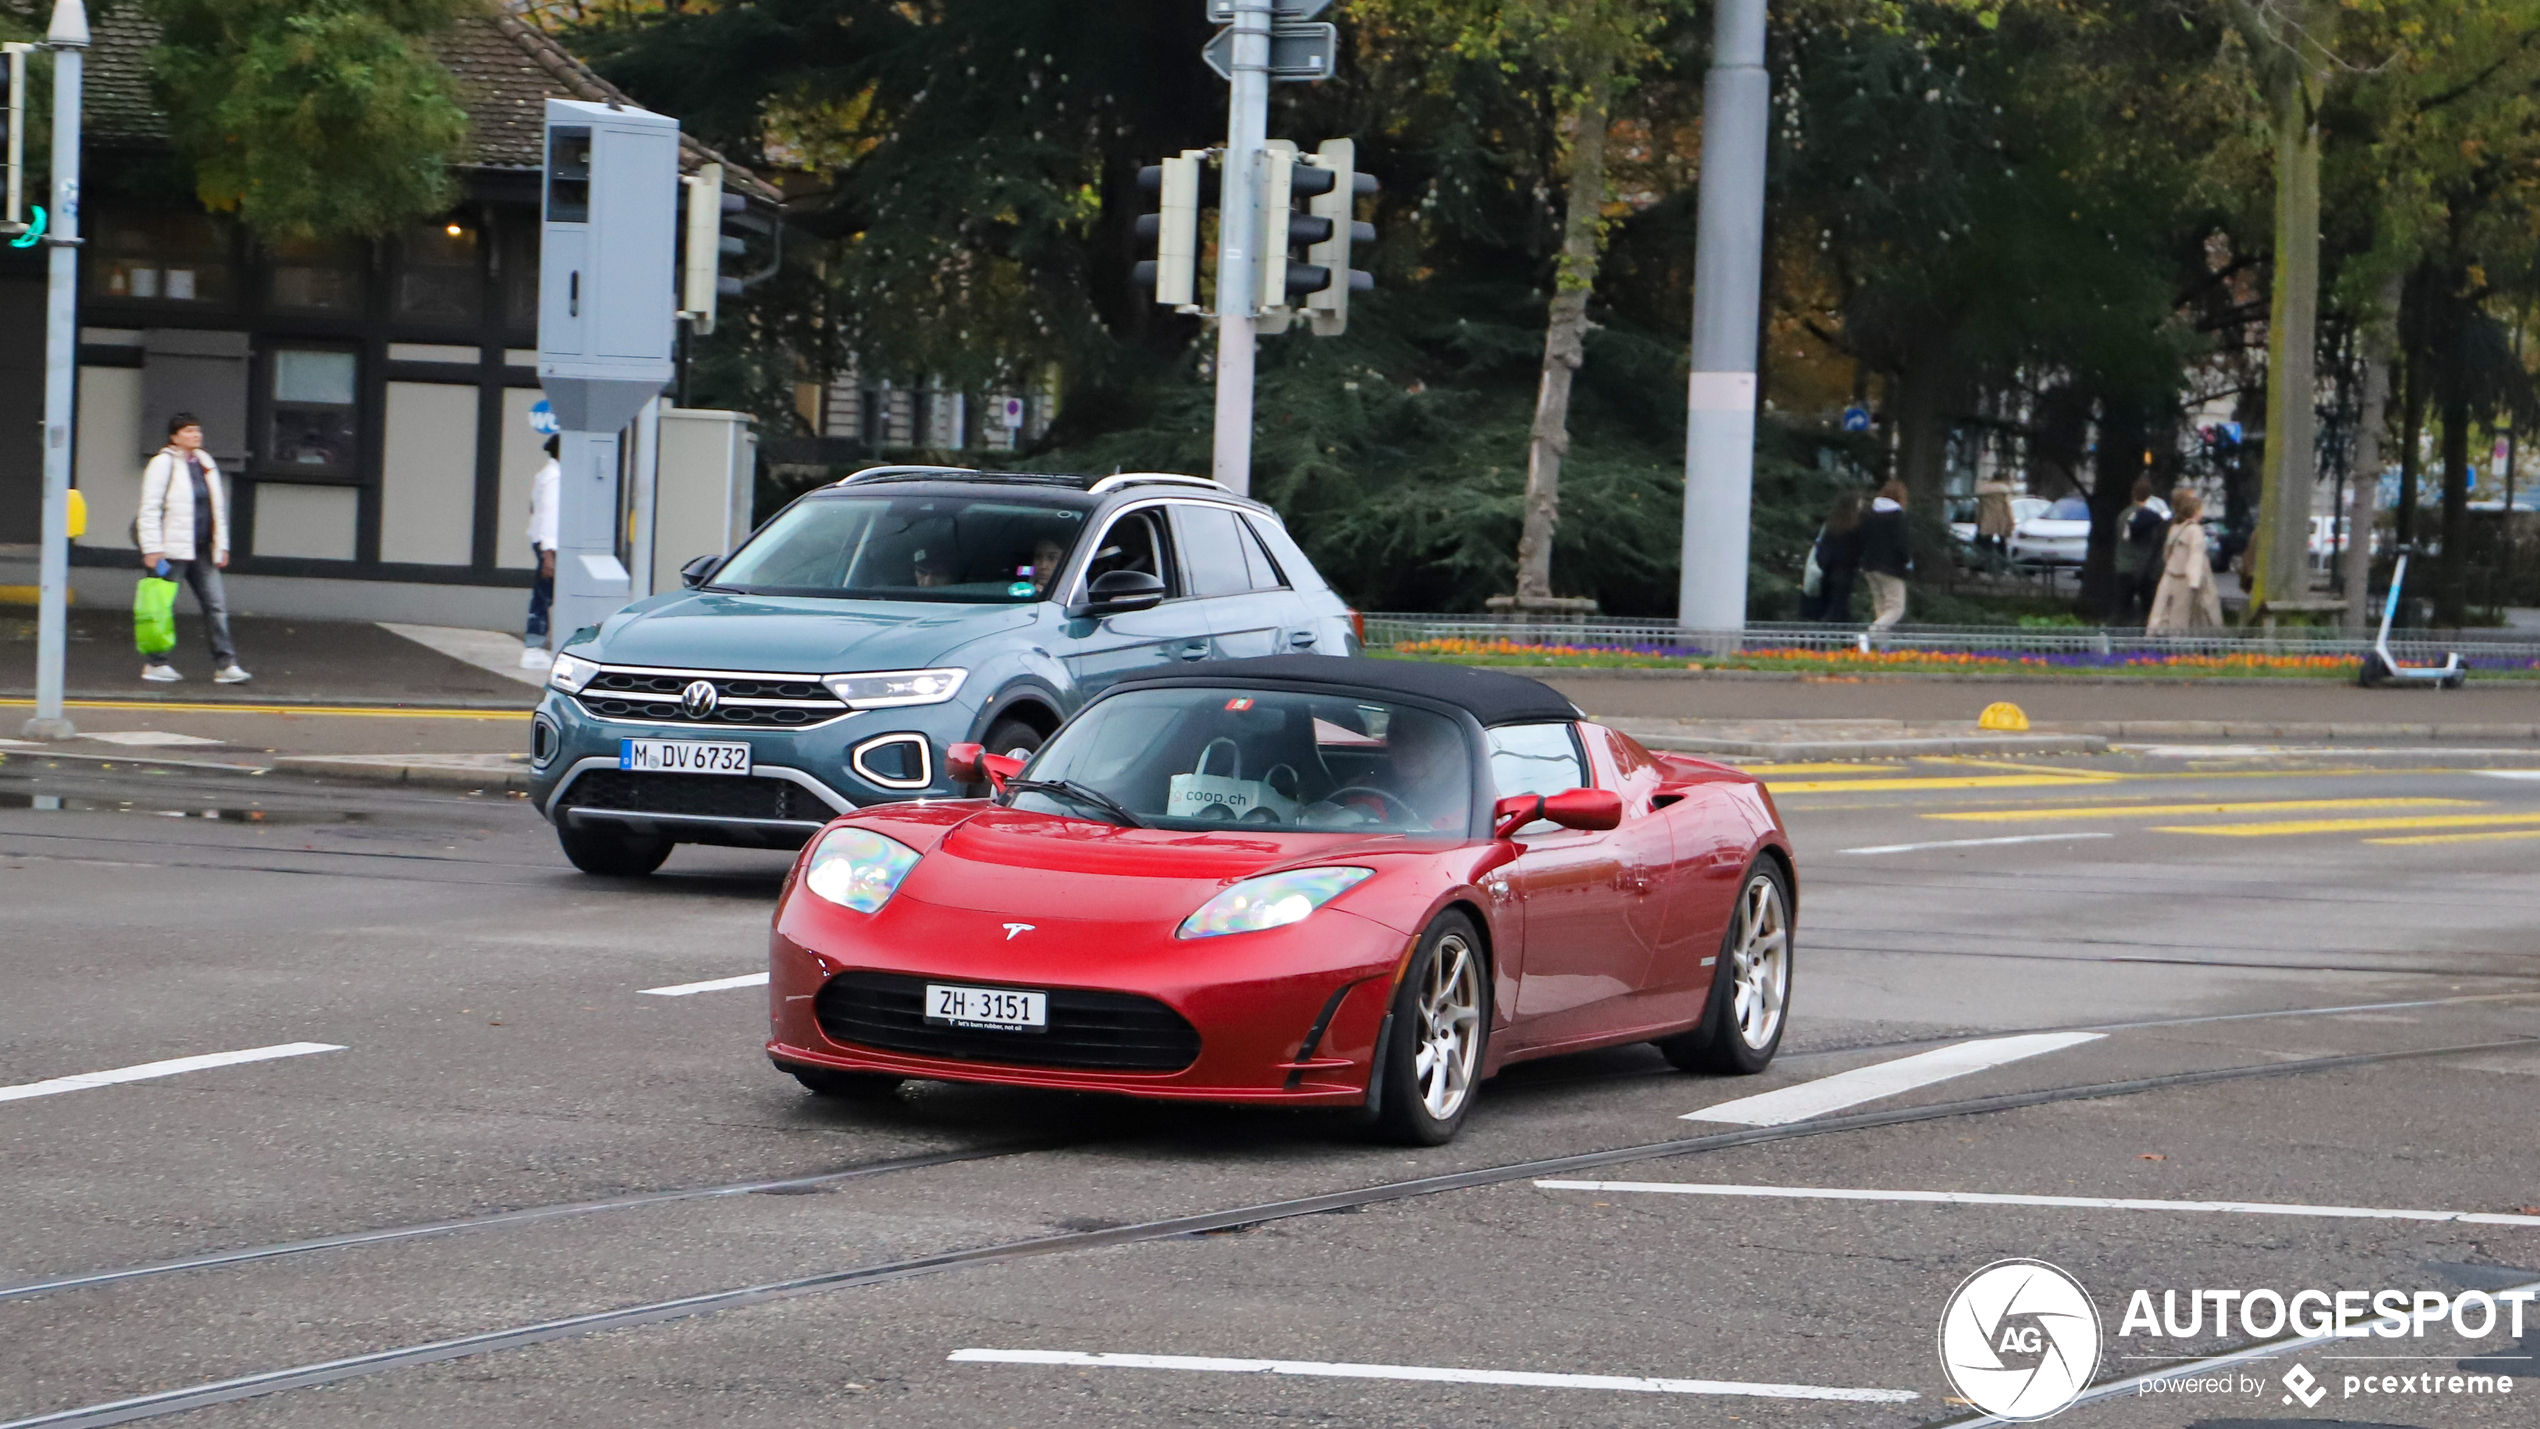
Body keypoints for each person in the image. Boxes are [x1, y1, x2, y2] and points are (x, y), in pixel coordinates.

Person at [136, 413, 250, 684]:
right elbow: (149, 508)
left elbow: (216, 510)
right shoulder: (162, 464)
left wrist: (220, 546)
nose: (195, 436)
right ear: (174, 437)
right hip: (171, 550)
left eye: (197, 431)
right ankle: (155, 663)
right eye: (188, 431)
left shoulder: (205, 462)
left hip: (202, 548)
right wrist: (152, 548)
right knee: (160, 607)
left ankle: (226, 664)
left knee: (216, 606)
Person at [2147, 487, 2224, 630]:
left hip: (2171, 575)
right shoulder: (2194, 530)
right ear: (2195, 512)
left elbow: (2166, 553)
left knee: (2164, 612)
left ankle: (2157, 641)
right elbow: (2196, 556)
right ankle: (2189, 647)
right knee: (2192, 616)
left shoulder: (2175, 527)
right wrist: (2194, 581)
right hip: (2188, 580)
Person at [523, 436, 559, 668]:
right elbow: (550, 515)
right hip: (552, 547)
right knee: (544, 596)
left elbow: (533, 507)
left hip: (543, 543)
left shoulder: (546, 473)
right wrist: (549, 553)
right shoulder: (556, 477)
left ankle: (537, 646)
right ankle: (534, 648)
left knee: (546, 595)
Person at [2114, 476, 2170, 623]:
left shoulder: (2124, 515)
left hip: (2124, 567)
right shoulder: (2153, 518)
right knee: (2149, 610)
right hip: (2146, 569)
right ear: (2149, 495)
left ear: (2133, 493)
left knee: (2121, 608)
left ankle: (2115, 639)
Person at [1859, 479, 1911, 630]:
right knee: (1896, 609)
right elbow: (1901, 544)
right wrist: (1907, 561)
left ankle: (1882, 649)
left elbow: (1862, 539)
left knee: (1881, 610)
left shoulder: (1870, 515)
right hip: (1890, 568)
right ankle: (1871, 633)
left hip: (1870, 566)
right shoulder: (1897, 517)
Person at [1805, 492, 1864, 623]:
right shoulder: (1856, 525)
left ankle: (1840, 640)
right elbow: (1859, 548)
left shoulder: (1831, 523)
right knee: (1839, 608)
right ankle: (1836, 638)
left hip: (1827, 569)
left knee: (1835, 606)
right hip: (1845, 570)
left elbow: (1822, 545)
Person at [1974, 478, 2016, 557]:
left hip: (1986, 519)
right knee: (2002, 543)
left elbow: (1979, 509)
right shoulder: (2003, 491)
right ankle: (2002, 563)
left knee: (1985, 543)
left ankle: (1984, 562)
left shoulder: (1984, 491)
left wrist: (1978, 521)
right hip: (2001, 519)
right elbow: (2007, 508)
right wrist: (2011, 522)